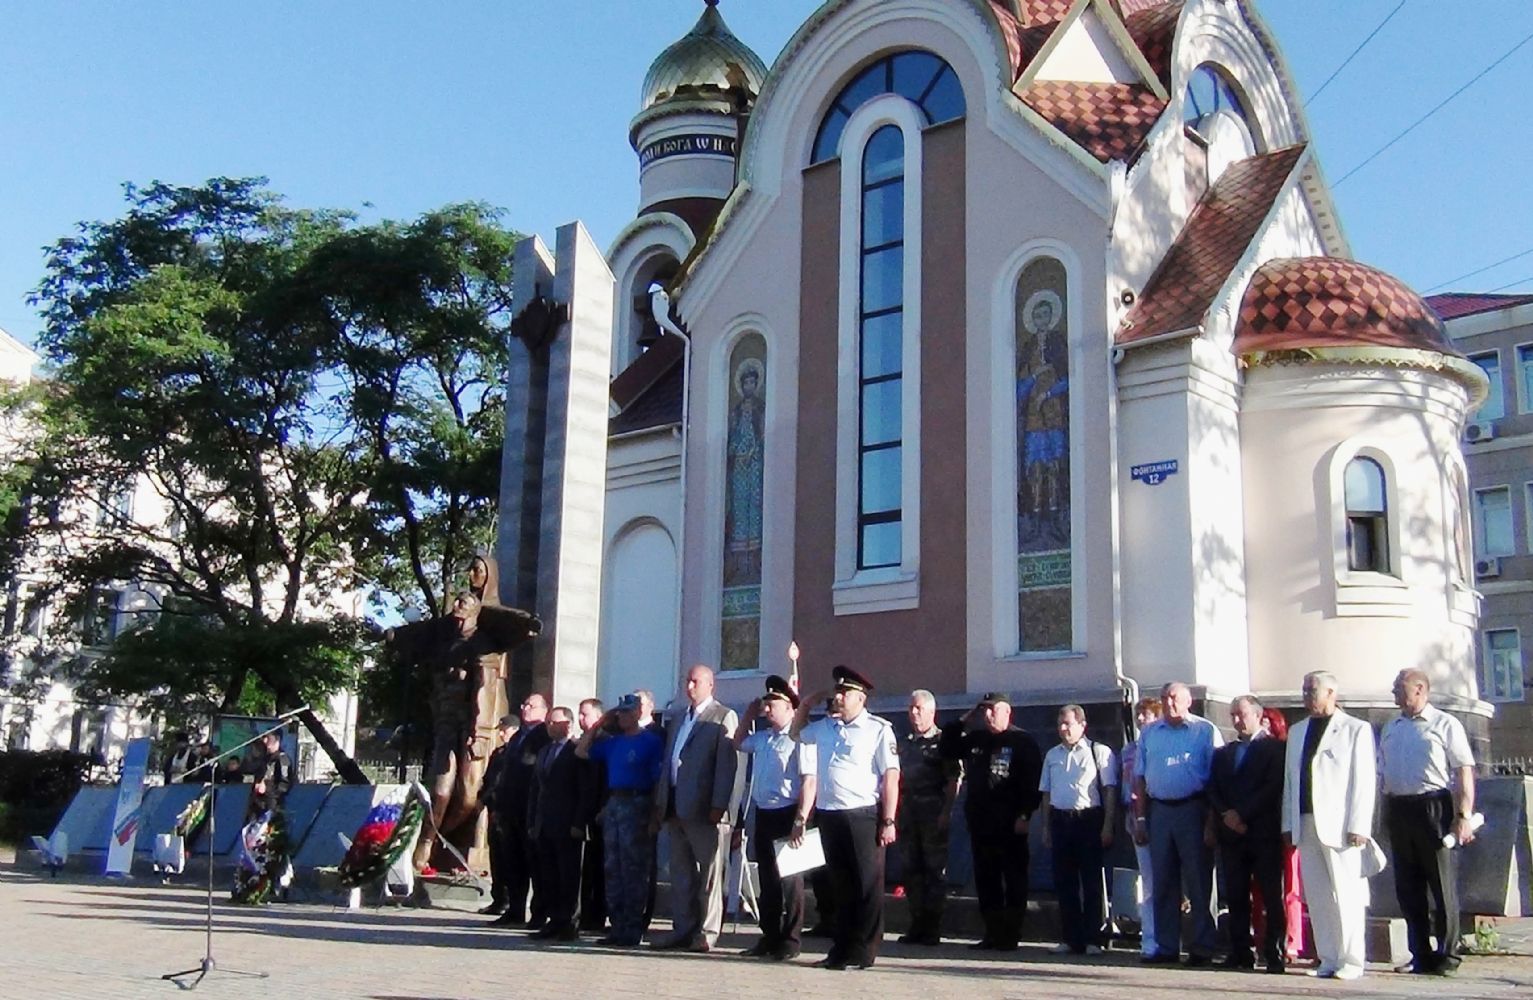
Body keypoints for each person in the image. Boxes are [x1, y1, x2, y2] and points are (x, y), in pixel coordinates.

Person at [792, 665, 900, 970]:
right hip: (830, 816)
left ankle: (863, 951)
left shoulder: (878, 730)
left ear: (861, 698)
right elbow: (795, 733)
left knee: (866, 886)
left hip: (862, 816)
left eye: (845, 693)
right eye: (837, 692)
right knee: (839, 887)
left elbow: (891, 777)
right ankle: (840, 950)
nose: (838, 697)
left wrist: (888, 820)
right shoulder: (826, 727)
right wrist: (806, 704)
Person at [1281, 671, 1377, 981]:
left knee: (1346, 894)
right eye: (1304, 690)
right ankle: (1328, 957)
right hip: (1306, 821)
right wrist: (1288, 822)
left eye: (1313, 690)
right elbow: (1291, 780)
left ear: (1331, 693)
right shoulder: (1297, 731)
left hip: (1341, 825)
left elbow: (1364, 780)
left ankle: (1352, 959)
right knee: (1318, 895)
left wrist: (1359, 824)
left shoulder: (1355, 729)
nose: (1307, 696)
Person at [1380, 668, 1476, 976]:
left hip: (1433, 806)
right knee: (1408, 887)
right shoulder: (1391, 727)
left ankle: (1447, 955)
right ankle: (1419, 953)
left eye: (1400, 688)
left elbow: (1463, 771)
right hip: (1399, 807)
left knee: (1441, 883)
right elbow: (1383, 772)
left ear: (1420, 689)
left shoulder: (1444, 724)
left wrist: (1463, 816)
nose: (1394, 694)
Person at [651, 665, 743, 953]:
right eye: (687, 681)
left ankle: (707, 932)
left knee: (710, 875)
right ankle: (682, 929)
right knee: (681, 874)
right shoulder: (680, 717)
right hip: (675, 806)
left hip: (705, 809)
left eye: (695, 681)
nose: (689, 686)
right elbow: (670, 761)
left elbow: (728, 766)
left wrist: (721, 806)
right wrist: (661, 802)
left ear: (710, 684)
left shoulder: (723, 716)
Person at [941, 692, 1042, 952]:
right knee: (986, 880)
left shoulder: (1022, 741)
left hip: (1010, 823)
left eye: (993, 710)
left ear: (1007, 712)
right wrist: (963, 720)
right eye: (984, 710)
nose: (987, 715)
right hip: (981, 822)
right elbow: (947, 748)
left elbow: (1032, 783)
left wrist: (1025, 814)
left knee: (1014, 879)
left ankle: (1011, 935)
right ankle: (992, 932)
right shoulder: (978, 739)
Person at [1132, 681, 1223, 965]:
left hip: (1193, 808)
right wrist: (1141, 818)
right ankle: (1166, 945)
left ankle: (1202, 946)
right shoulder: (1150, 733)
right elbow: (1140, 778)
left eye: (1174, 698)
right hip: (1159, 810)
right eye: (1164, 698)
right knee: (1163, 881)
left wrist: (1211, 821)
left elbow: (1217, 777)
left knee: (1199, 881)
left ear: (1188, 701)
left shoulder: (1204, 731)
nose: (1169, 703)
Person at [734, 674, 814, 961]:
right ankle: (769, 936)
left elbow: (808, 781)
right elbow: (738, 742)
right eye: (765, 705)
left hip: (788, 812)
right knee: (767, 879)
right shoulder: (764, 738)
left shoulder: (800, 738)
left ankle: (790, 940)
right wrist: (748, 715)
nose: (767, 710)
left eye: (773, 705)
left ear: (790, 707)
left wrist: (801, 819)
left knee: (790, 880)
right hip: (764, 813)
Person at [577, 694, 665, 948]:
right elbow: (581, 751)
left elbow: (658, 780)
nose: (622, 717)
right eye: (619, 713)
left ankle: (632, 928)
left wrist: (655, 815)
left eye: (626, 713)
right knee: (613, 868)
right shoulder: (613, 742)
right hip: (615, 802)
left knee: (634, 869)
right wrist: (598, 724)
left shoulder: (650, 741)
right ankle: (616, 926)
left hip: (638, 802)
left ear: (637, 713)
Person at [1207, 696, 1286, 973]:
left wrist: (1242, 814)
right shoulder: (1223, 753)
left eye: (1241, 714)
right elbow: (1213, 788)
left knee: (1271, 895)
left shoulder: (1275, 749)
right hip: (1232, 835)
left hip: (1262, 832)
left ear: (1257, 715)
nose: (1237, 720)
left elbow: (1272, 787)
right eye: (1233, 716)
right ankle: (1240, 951)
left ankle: (1274, 952)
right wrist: (1226, 814)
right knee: (1236, 895)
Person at [1039, 704, 1117, 956]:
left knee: (1091, 881)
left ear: (1082, 725)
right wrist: (1046, 827)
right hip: (1060, 820)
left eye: (1068, 724)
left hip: (1088, 819)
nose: (1063, 729)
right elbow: (1046, 793)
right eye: (1060, 724)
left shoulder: (1098, 752)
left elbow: (1109, 791)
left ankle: (1093, 938)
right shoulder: (1052, 755)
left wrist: (1107, 825)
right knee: (1065, 882)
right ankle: (1070, 938)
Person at [896, 689, 960, 946]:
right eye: (911, 708)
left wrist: (947, 811)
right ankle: (917, 924)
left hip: (933, 813)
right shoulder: (904, 743)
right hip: (908, 814)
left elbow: (954, 780)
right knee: (911, 870)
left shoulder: (943, 742)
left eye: (919, 708)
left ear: (932, 712)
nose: (914, 713)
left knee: (934, 871)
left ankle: (932, 927)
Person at [527, 706, 595, 942]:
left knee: (569, 875)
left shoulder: (576, 750)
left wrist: (579, 822)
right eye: (548, 722)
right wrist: (532, 821)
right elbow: (536, 789)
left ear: (568, 724)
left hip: (567, 823)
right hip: (545, 822)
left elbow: (584, 790)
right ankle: (554, 920)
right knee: (549, 875)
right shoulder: (545, 751)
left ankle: (570, 922)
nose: (549, 726)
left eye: (554, 722)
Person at [488, 694, 552, 928]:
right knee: (512, 863)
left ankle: (539, 913)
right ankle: (514, 910)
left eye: (531, 706)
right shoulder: (517, 737)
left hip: (530, 807)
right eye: (524, 704)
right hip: (510, 808)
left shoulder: (543, 735)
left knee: (535, 863)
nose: (525, 708)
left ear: (544, 710)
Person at [1252, 708, 1305, 963]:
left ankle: (1292, 941)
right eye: (1260, 722)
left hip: (1286, 824)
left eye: (1268, 723)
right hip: (1260, 826)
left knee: (1290, 885)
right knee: (1260, 889)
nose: (1264, 728)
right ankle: (1261, 939)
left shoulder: (1286, 751)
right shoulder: (1252, 751)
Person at [232, 729, 294, 904]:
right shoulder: (264, 759)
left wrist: (268, 790)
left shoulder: (282, 759)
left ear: (277, 741)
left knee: (271, 848)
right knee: (254, 847)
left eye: (269, 739)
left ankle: (278, 885)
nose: (265, 743)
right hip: (257, 807)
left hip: (272, 809)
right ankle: (251, 882)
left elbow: (285, 785)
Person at [1120, 696, 1162, 958]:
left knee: (1164, 880)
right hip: (1134, 817)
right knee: (1148, 879)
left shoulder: (1159, 746)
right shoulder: (1128, 750)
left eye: (1147, 714)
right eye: (1139, 715)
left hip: (1159, 813)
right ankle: (1150, 938)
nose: (1141, 719)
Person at [478, 714, 520, 916]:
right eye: (501, 730)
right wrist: (483, 798)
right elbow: (489, 779)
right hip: (494, 810)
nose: (502, 734)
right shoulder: (499, 753)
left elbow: (504, 783)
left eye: (505, 730)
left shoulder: (517, 752)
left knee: (509, 858)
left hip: (508, 810)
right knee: (496, 856)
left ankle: (510, 900)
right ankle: (498, 899)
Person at [577, 697, 608, 935]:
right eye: (579, 713)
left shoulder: (606, 740)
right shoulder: (583, 740)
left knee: (599, 867)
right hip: (585, 809)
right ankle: (585, 914)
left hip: (602, 809)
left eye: (585, 714)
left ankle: (597, 916)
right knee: (586, 868)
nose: (580, 718)